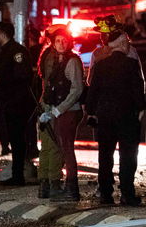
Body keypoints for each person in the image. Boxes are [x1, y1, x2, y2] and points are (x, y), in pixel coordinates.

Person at [85, 17, 144, 206]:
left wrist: (91, 112)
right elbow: (138, 88)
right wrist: (141, 109)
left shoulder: (100, 62)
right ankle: (127, 193)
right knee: (128, 156)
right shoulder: (131, 62)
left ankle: (105, 193)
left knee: (105, 155)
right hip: (127, 116)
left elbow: (92, 88)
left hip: (105, 116)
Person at [36, 27, 85, 201]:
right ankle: (57, 186)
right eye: (58, 41)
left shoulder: (72, 61)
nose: (61, 44)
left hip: (67, 111)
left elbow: (77, 89)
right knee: (57, 147)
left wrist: (57, 110)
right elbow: (49, 86)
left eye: (64, 40)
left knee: (64, 149)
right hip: (55, 109)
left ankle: (69, 188)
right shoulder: (56, 59)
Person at [0, 20, 36, 185]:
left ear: (2, 34)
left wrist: (0, 80)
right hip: (10, 101)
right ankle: (17, 174)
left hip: (18, 102)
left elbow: (22, 76)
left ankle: (18, 176)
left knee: (17, 139)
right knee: (14, 139)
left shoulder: (17, 52)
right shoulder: (4, 51)